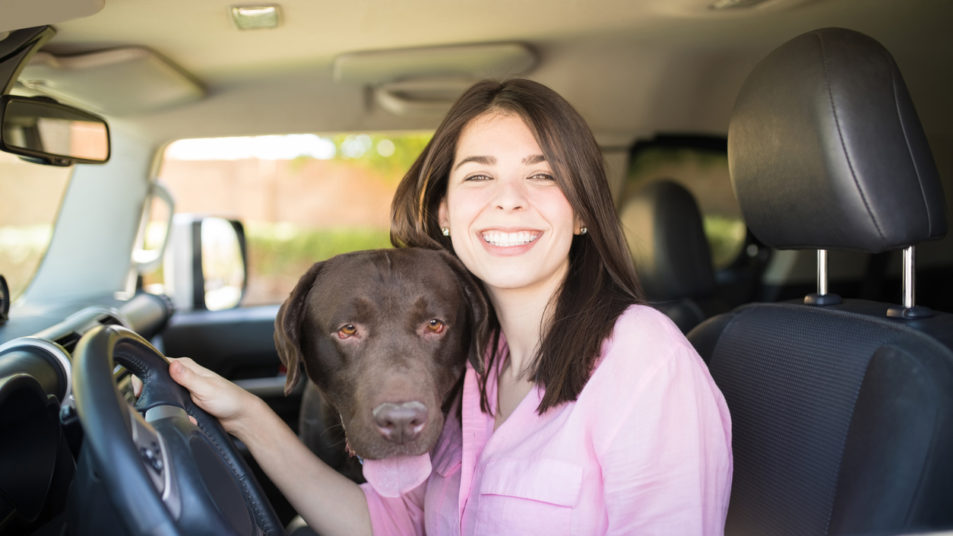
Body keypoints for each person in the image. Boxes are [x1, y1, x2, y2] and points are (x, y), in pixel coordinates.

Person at [170, 78, 732, 535]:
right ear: (444, 210)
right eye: (480, 175)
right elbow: (382, 527)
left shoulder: (643, 359)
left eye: (541, 175)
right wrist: (247, 417)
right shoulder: (467, 360)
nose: (508, 198)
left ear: (582, 212)